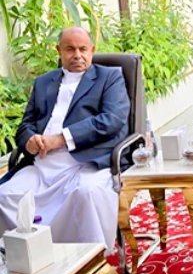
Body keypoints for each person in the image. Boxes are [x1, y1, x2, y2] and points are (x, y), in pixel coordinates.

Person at [0, 26, 130, 255]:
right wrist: (30, 141)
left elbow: (112, 120)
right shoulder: (43, 82)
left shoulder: (109, 77)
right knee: (5, 195)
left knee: (85, 193)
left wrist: (60, 139)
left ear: (92, 50)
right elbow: (26, 125)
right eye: (70, 49)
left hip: (85, 162)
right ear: (59, 51)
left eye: (83, 49)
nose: (77, 55)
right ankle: (24, 257)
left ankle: (87, 259)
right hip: (42, 164)